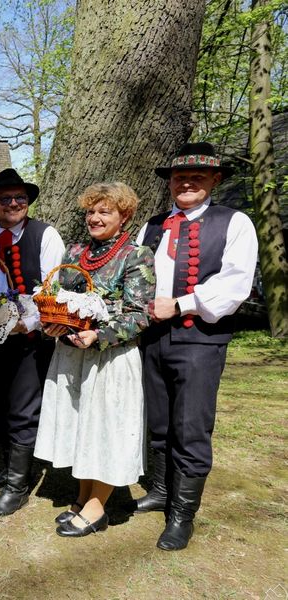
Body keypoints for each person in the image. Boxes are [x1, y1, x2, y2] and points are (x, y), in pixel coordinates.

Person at [134, 142, 257, 551]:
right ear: (169, 182)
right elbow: (134, 275)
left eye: (197, 177)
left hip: (200, 339)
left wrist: (183, 303)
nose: (186, 183)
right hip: (152, 337)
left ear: (214, 181)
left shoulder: (234, 222)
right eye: (179, 176)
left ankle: (182, 514)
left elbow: (235, 283)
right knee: (158, 419)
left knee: (191, 426)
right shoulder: (152, 226)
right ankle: (159, 490)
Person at [34, 182, 156, 537]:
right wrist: (54, 326)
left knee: (105, 428)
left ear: (125, 216)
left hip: (110, 358)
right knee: (82, 427)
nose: (95, 218)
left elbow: (139, 314)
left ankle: (97, 506)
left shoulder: (137, 256)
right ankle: (83, 494)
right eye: (91, 211)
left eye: (105, 211)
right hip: (73, 355)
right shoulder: (75, 253)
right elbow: (59, 300)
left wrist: (98, 335)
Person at [0, 168, 66, 518]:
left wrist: (25, 323)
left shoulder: (45, 235)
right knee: (4, 404)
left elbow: (51, 292)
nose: (13, 204)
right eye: (5, 199)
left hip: (29, 337)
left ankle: (17, 488)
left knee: (25, 409)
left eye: (20, 198)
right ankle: (9, 470)